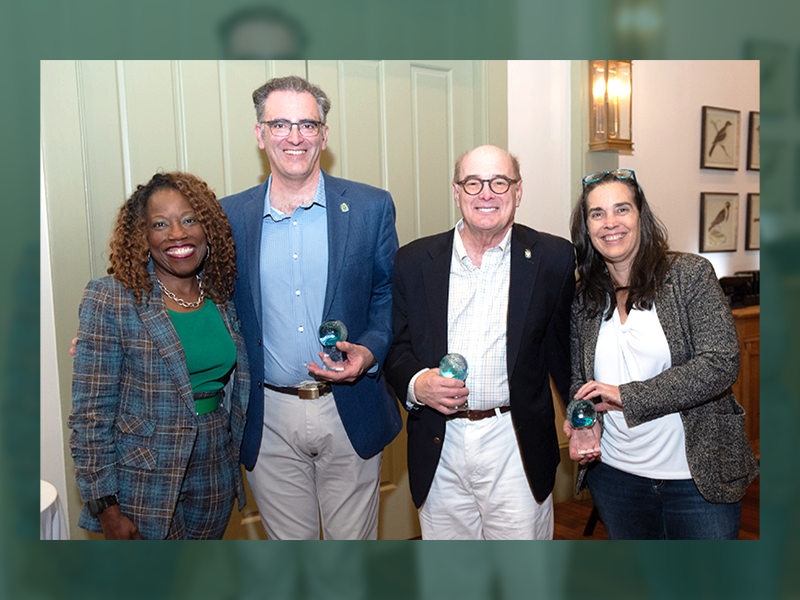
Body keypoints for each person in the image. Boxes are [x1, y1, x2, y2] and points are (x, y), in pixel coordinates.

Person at [219, 75, 402, 540]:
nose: (295, 137)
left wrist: (369, 351)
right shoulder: (227, 217)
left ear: (325, 134)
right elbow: (192, 288)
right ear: (260, 134)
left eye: (307, 124)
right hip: (269, 414)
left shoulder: (370, 207)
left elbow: (387, 295)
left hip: (350, 406)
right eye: (280, 124)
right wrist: (119, 331)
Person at [384, 145, 576, 539]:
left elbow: (565, 353)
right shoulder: (414, 261)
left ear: (518, 192)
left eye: (499, 182)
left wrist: (583, 416)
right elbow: (396, 348)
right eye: (473, 183)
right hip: (440, 442)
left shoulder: (553, 259)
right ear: (457, 192)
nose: (486, 194)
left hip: (515, 443)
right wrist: (417, 384)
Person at [565, 168, 759, 540]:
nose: (611, 223)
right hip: (617, 476)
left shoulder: (688, 274)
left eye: (622, 209)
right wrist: (584, 421)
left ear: (641, 216)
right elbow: (581, 381)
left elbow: (720, 361)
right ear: (586, 228)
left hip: (695, 478)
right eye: (597, 213)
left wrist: (627, 395)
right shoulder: (583, 296)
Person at [68, 172, 249, 540]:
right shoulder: (113, 298)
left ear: (207, 227)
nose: (178, 234)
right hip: (143, 475)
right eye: (160, 224)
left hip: (214, 463)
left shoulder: (222, 293)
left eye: (189, 219)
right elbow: (90, 416)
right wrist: (105, 506)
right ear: (143, 236)